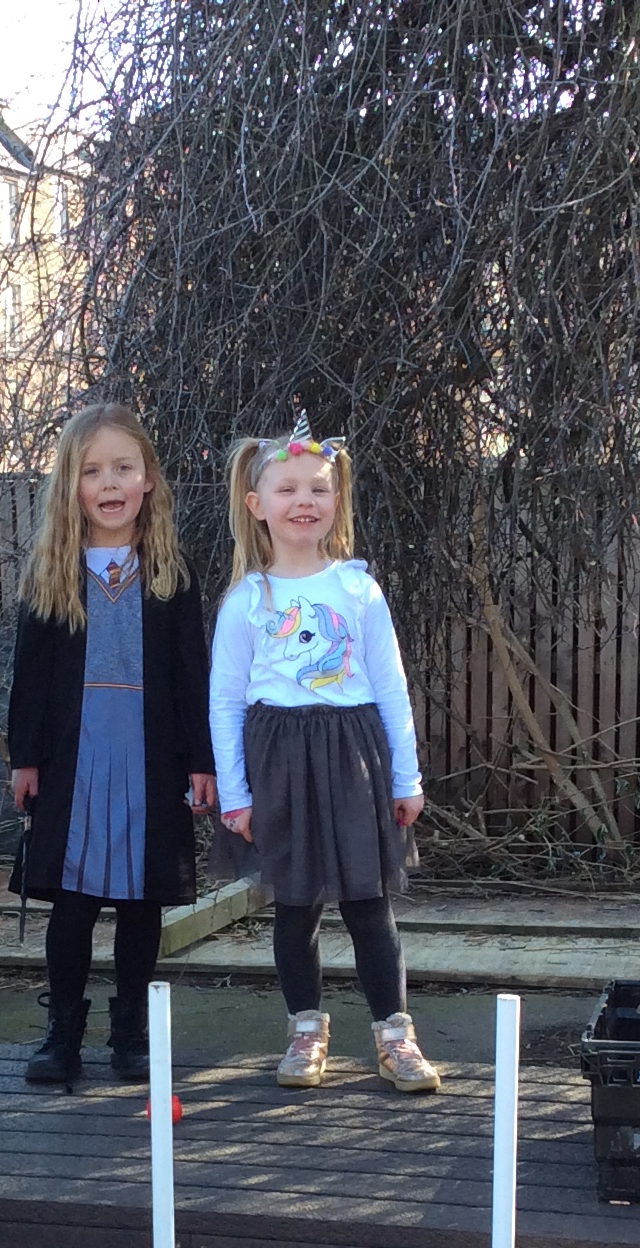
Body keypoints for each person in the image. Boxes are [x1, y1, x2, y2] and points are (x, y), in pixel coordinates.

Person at [209, 413, 440, 1093]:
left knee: (369, 904)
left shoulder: (358, 589)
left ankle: (395, 1036)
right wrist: (236, 793)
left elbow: (391, 688)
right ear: (257, 505)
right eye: (287, 490)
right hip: (279, 762)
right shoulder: (246, 601)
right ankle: (305, 1031)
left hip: (352, 759)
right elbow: (225, 703)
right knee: (295, 906)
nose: (303, 501)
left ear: (336, 500)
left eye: (317, 488)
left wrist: (406, 778)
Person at [7, 403, 215, 1086]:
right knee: (72, 904)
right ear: (72, 485)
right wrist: (25, 758)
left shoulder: (171, 573)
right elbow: (30, 675)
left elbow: (192, 674)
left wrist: (202, 761)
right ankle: (62, 1030)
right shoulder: (52, 571)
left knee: (139, 902)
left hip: (149, 760)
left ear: (148, 479)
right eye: (93, 471)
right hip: (74, 760)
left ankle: (130, 1032)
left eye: (124, 468)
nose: (110, 483)